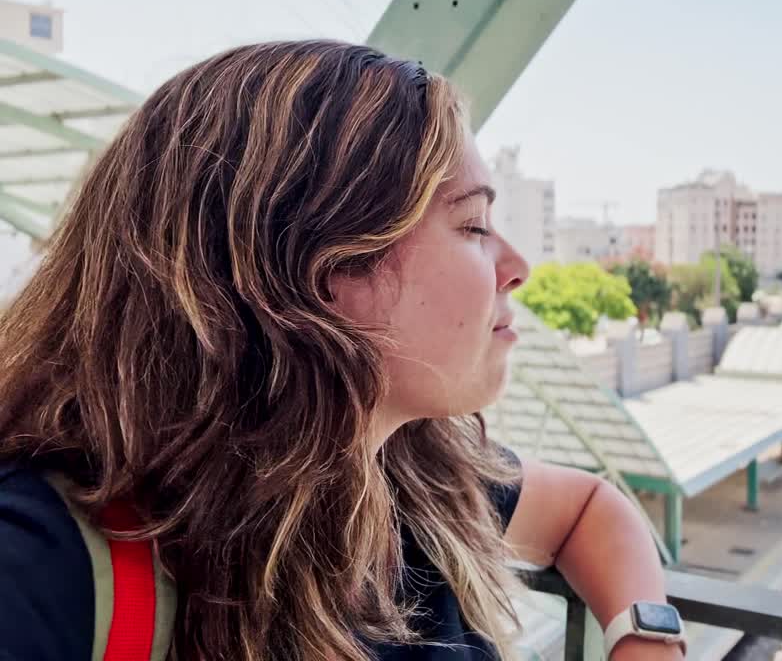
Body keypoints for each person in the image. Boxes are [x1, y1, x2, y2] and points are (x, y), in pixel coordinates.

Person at [0, 40, 684, 661]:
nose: (516, 265)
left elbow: (593, 509)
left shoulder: (406, 475)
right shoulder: (43, 568)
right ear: (321, 266)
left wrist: (646, 640)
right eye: (473, 225)